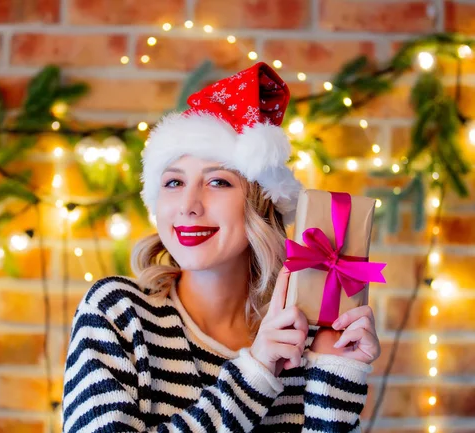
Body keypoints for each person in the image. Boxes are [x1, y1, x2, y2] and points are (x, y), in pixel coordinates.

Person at [62, 62, 380, 433]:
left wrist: (338, 375)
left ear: (261, 204)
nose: (189, 205)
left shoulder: (308, 341)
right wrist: (256, 375)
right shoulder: (117, 314)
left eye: (217, 182)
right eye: (173, 183)